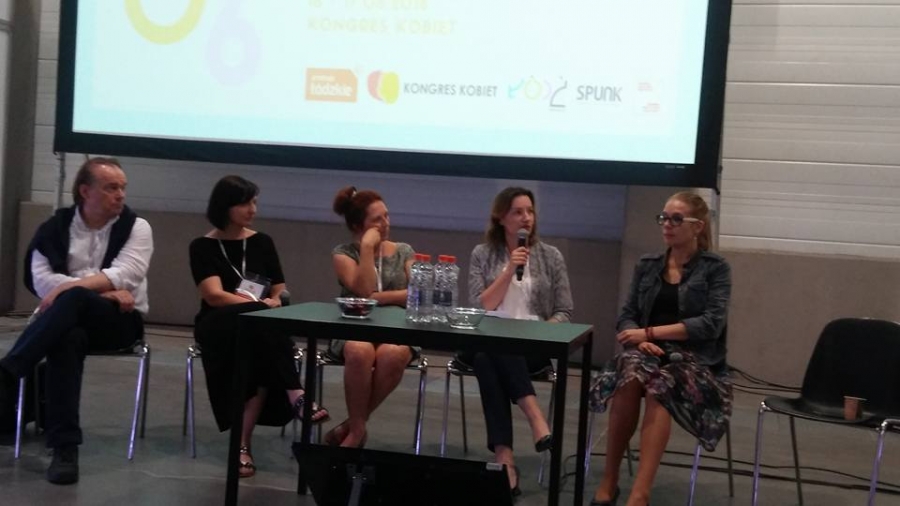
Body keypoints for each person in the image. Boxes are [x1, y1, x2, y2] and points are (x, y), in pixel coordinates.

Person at [0, 157, 153, 484]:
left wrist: (72, 287)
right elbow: (42, 281)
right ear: (85, 191)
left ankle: (9, 371)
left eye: (123, 187)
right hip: (68, 322)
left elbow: (127, 274)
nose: (121, 195)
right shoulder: (54, 228)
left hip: (119, 322)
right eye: (111, 187)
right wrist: (101, 288)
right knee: (66, 338)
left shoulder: (137, 227)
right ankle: (64, 448)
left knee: (74, 298)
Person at [588, 191, 732, 506]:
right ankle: (610, 480)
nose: (667, 224)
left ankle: (640, 493)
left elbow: (710, 324)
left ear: (697, 226)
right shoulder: (648, 265)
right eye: (664, 218)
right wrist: (640, 339)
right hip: (646, 351)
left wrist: (649, 332)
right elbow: (627, 315)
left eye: (676, 219)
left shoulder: (715, 268)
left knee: (660, 386)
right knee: (629, 378)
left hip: (694, 358)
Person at [188, 175, 328, 479]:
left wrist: (274, 302)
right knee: (259, 321)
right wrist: (258, 306)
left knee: (258, 352)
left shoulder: (262, 242)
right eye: (245, 203)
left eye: (254, 202)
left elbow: (280, 289)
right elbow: (213, 295)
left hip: (258, 327)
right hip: (218, 324)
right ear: (225, 206)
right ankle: (296, 392)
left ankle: (241, 446)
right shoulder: (202, 246)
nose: (252, 209)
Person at [464, 186, 573, 496]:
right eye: (518, 212)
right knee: (490, 350)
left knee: (489, 358)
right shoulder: (482, 254)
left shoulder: (550, 256)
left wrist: (543, 332)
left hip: (533, 344)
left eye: (530, 211)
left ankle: (505, 460)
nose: (526, 218)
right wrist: (510, 267)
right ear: (501, 218)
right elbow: (479, 307)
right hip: (489, 336)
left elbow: (564, 311)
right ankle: (534, 416)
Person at [326, 186, 417, 448]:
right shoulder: (343, 253)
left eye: (386, 216)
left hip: (397, 327)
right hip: (355, 326)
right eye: (377, 219)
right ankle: (357, 430)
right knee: (359, 350)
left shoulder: (404, 251)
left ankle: (351, 427)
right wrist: (367, 248)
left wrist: (379, 298)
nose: (385, 223)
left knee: (393, 353)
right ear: (358, 225)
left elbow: (416, 294)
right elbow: (363, 291)